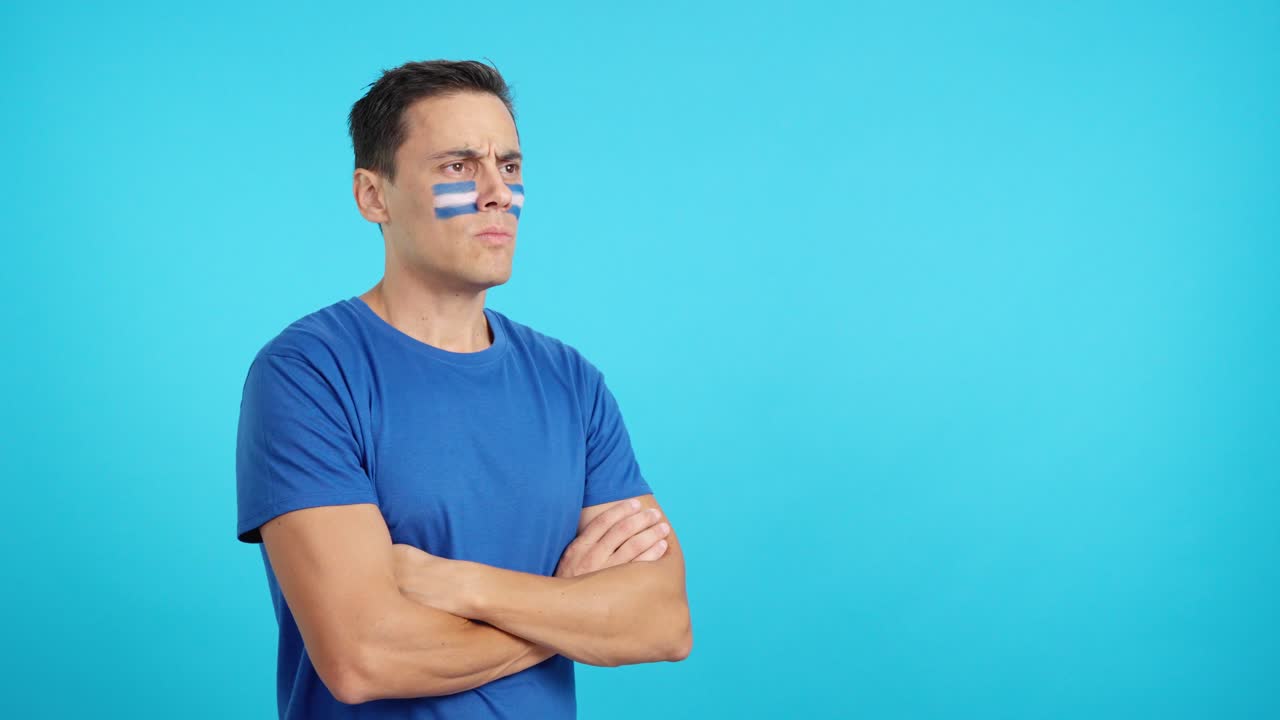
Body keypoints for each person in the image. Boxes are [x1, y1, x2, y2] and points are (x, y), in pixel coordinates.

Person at [234, 59, 692, 719]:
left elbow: (663, 620)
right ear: (373, 196)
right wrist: (568, 609)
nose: (496, 193)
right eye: (457, 167)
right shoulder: (308, 373)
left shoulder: (571, 384)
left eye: (508, 166)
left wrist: (461, 587)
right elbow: (364, 657)